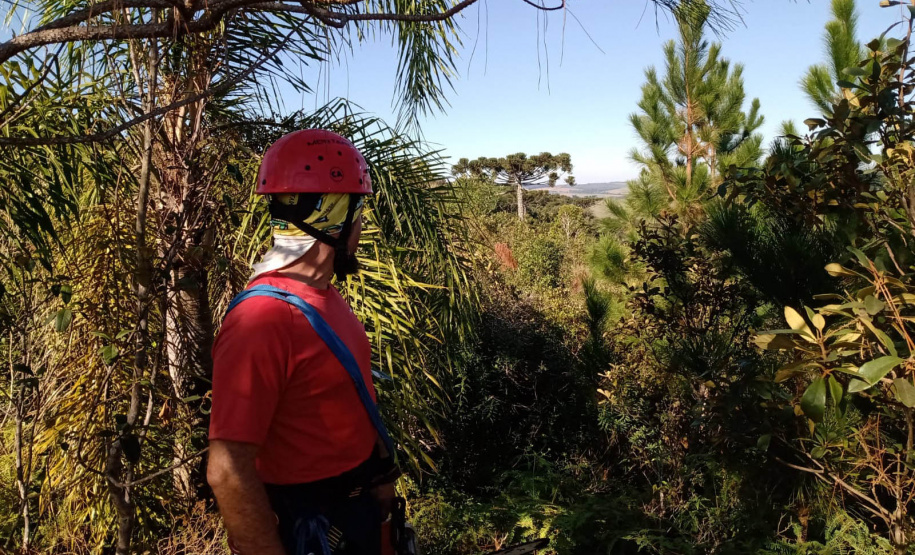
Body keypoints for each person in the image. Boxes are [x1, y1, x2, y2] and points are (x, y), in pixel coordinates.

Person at [206, 129, 400, 555]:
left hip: (352, 513)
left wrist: (380, 488)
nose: (361, 226)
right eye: (357, 210)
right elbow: (226, 469)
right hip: (308, 527)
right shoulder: (263, 319)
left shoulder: (325, 297)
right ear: (330, 217)